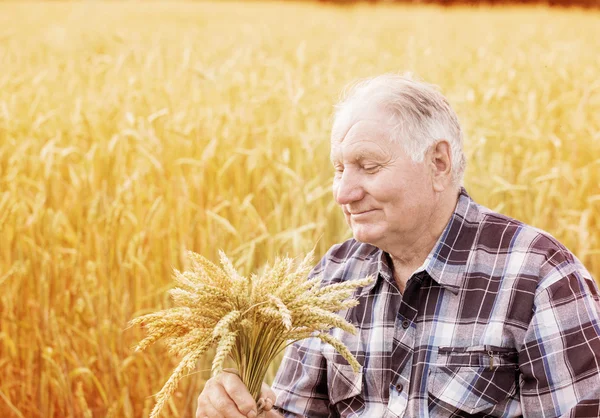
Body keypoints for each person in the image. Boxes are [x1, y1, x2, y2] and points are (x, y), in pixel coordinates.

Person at [195, 74, 600, 418]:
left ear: (438, 163)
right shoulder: (332, 278)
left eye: (368, 166)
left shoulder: (540, 278)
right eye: (339, 169)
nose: (344, 193)